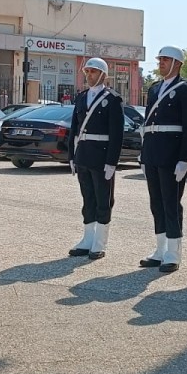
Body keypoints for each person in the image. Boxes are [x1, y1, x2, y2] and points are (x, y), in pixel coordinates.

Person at [138, 45, 187, 272]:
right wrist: (144, 155)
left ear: (177, 63)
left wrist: (184, 158)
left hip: (172, 155)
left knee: (171, 203)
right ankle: (160, 249)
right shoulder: (154, 89)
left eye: (165, 59)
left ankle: (173, 253)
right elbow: (148, 125)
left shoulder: (186, 89)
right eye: (160, 59)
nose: (161, 63)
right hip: (153, 152)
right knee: (156, 203)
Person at [67, 58, 123, 260]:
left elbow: (116, 134)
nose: (89, 75)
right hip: (84, 154)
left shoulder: (112, 99)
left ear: (103, 75)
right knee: (87, 199)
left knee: (103, 200)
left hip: (101, 156)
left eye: (93, 72)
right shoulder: (81, 98)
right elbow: (74, 129)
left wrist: (112, 162)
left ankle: (99, 243)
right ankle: (87, 239)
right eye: (87, 71)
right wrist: (72, 156)